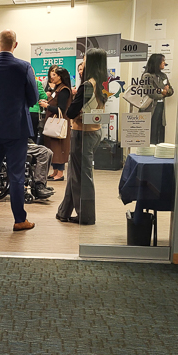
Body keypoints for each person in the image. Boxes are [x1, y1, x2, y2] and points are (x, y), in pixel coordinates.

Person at [0, 30, 39, 231]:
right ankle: (19, 220)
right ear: (15, 45)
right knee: (16, 175)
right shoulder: (24, 67)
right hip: (16, 128)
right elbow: (34, 98)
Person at [56, 48, 108, 225]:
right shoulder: (103, 83)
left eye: (84, 59)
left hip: (83, 133)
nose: (82, 62)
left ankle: (85, 215)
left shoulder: (87, 85)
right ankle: (64, 211)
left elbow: (70, 112)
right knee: (75, 173)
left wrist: (73, 96)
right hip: (94, 131)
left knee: (81, 176)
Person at [40, 65, 73, 181]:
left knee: (59, 147)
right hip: (53, 122)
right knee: (53, 147)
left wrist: (47, 106)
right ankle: (55, 172)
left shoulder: (64, 90)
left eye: (55, 75)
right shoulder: (56, 89)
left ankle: (60, 173)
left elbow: (61, 109)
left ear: (60, 77)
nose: (51, 76)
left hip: (59, 123)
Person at [141, 53, 174, 144]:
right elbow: (150, 92)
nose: (164, 63)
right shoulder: (147, 76)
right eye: (162, 61)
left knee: (160, 128)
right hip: (151, 107)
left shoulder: (163, 76)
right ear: (156, 62)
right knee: (152, 130)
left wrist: (165, 92)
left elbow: (171, 90)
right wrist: (163, 92)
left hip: (161, 106)